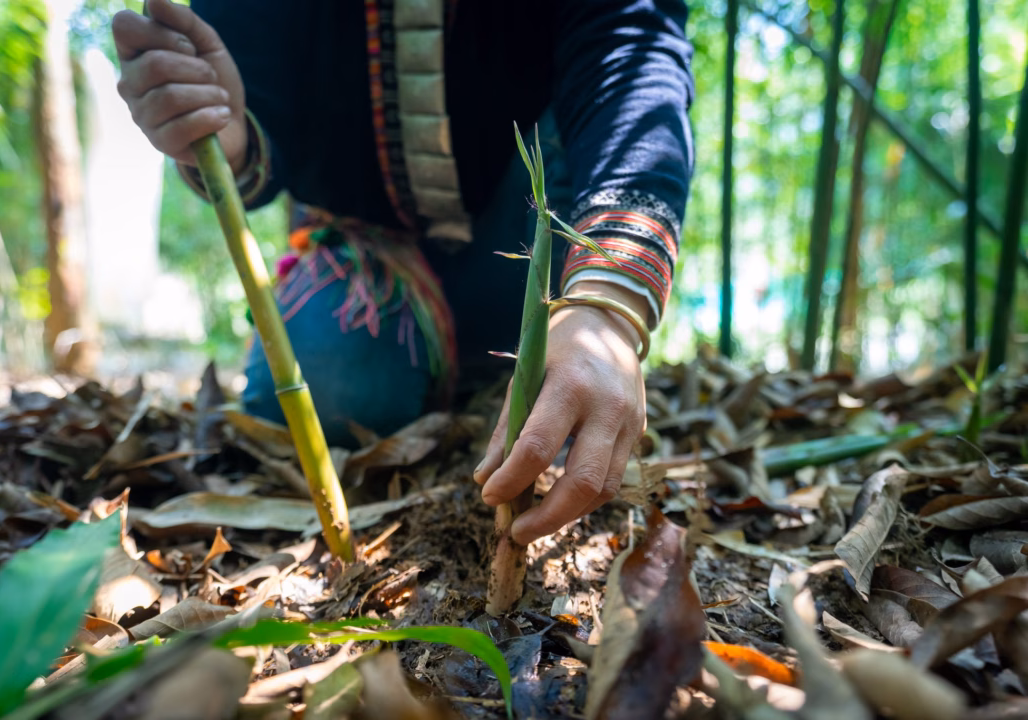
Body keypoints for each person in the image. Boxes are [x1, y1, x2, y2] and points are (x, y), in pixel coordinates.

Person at [112, 0, 694, 545]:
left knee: (562, 382)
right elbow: (256, 96)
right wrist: (220, 125)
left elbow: (629, 46)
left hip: (537, 207)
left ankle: (509, 366)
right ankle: (455, 369)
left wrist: (605, 305)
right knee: (330, 390)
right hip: (363, 240)